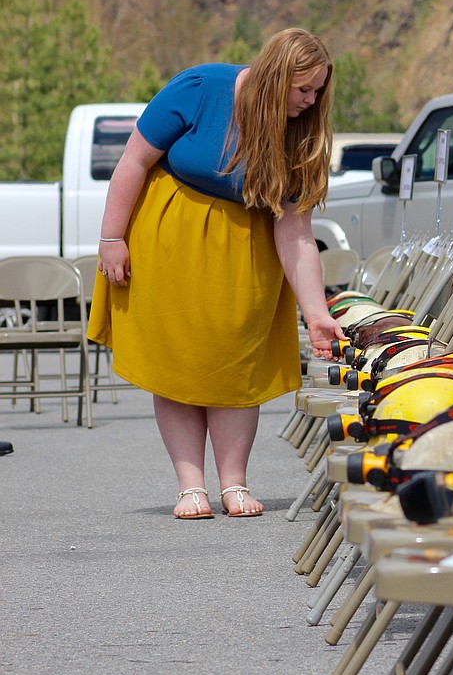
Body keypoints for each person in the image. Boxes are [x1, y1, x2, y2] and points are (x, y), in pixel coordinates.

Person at [88, 27, 345, 520]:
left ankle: (235, 484)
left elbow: (295, 233)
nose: (311, 102)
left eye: (318, 91)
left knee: (235, 366)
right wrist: (111, 238)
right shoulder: (200, 87)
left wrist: (316, 313)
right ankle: (191, 488)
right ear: (273, 79)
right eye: (303, 90)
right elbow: (133, 161)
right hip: (167, 244)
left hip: (244, 253)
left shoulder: (303, 135)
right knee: (177, 365)